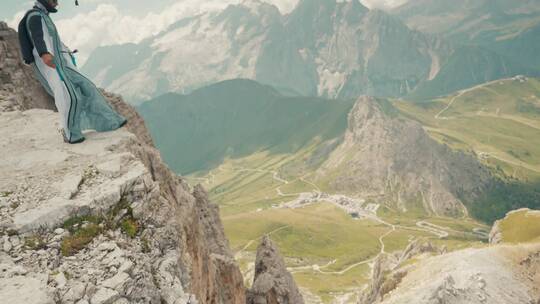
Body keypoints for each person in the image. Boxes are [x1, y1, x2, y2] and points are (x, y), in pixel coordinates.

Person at [17, 0, 127, 144]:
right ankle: (70, 134)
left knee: (88, 88)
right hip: (50, 65)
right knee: (69, 97)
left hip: (62, 63)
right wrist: (44, 54)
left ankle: (110, 122)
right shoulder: (35, 17)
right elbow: (38, 37)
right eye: (54, 0)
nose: (56, 4)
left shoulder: (43, 16)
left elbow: (52, 40)